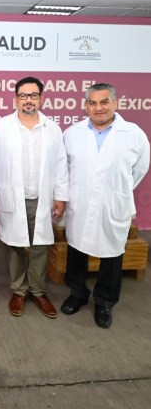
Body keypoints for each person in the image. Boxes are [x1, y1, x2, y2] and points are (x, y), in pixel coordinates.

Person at [61, 83, 150, 328]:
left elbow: (139, 169)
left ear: (115, 103)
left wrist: (116, 189)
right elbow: (64, 168)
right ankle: (77, 293)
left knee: (112, 254)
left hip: (113, 203)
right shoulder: (72, 133)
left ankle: (105, 302)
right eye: (92, 103)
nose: (98, 108)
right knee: (76, 249)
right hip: (80, 203)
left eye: (104, 102)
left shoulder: (134, 134)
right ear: (85, 106)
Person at [0, 76, 68, 319]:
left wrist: (61, 196)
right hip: (12, 197)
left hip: (41, 198)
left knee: (40, 245)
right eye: (23, 95)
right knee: (14, 245)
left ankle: (38, 291)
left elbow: (60, 164)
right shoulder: (1, 127)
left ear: (41, 98)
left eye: (33, 95)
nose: (28, 100)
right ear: (16, 99)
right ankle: (19, 291)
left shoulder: (52, 128)